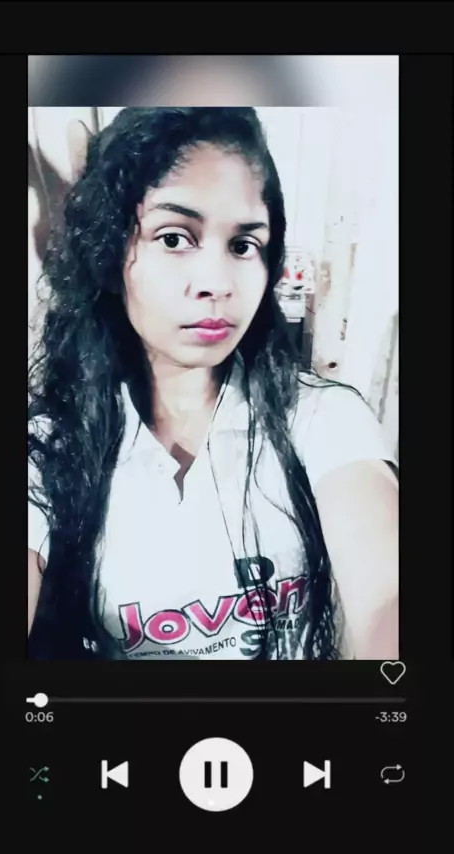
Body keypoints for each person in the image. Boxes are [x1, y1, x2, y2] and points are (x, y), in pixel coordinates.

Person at [28, 107, 399, 661]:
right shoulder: (50, 446)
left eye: (244, 245)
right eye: (174, 237)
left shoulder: (321, 417)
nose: (217, 283)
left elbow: (388, 591)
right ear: (110, 248)